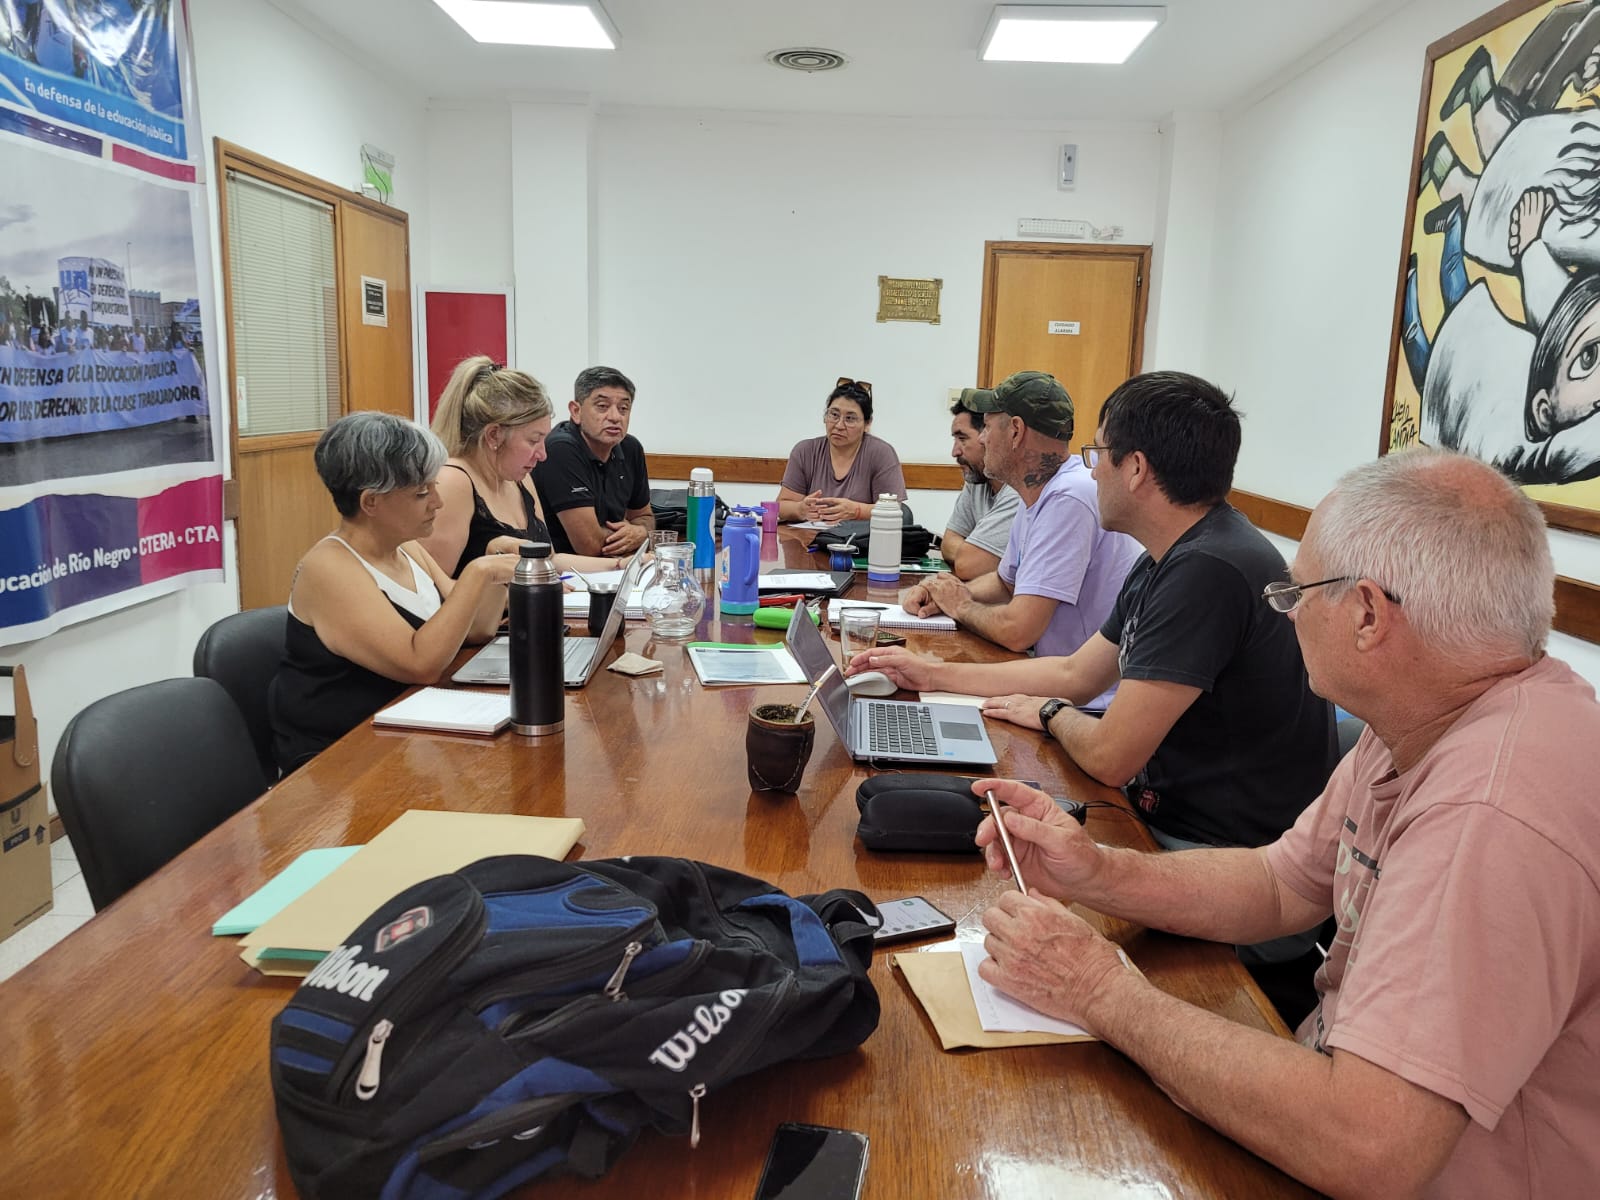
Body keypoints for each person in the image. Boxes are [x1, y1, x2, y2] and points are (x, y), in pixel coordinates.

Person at [974, 449, 1600, 1197]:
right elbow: (1280, 883)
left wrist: (1098, 991)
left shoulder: (1492, 811)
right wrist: (1098, 872)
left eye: (1298, 592)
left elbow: (1369, 1144)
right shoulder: (1429, 713)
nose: (1290, 611)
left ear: (1367, 614)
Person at [855, 372, 1335, 1015]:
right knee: (964, 829)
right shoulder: (1169, 553)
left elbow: (1107, 751)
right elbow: (1076, 675)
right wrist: (933, 675)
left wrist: (1052, 717)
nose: (1089, 468)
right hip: (1163, 830)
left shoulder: (1209, 569)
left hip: (1220, 870)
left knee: (977, 892)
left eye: (1098, 453)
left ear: (1135, 468)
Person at [269, 412, 516, 774]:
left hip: (405, 738)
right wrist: (478, 573)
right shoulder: (330, 568)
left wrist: (496, 563)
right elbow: (421, 663)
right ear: (371, 503)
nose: (438, 502)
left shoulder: (405, 547)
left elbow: (475, 628)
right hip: (339, 765)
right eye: (421, 493)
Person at [903, 373, 1138, 711]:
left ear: (1015, 430)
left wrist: (961, 606)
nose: (982, 438)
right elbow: (1005, 582)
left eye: (986, 427)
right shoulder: (1036, 493)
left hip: (1087, 708)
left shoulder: (1068, 498)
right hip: (1051, 690)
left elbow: (1018, 631)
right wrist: (946, 592)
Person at [419, 356, 625, 578]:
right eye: (533, 440)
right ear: (494, 435)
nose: (543, 454)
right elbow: (433, 593)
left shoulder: (519, 479)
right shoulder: (454, 481)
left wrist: (623, 566)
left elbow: (549, 560)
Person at [531, 366, 655, 557]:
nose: (615, 417)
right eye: (602, 407)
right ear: (576, 411)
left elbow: (644, 517)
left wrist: (641, 532)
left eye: (623, 408)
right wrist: (635, 536)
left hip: (614, 568)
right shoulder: (560, 449)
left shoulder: (630, 448)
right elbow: (589, 546)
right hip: (564, 572)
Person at [776, 378, 907, 523]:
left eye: (850, 418)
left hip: (860, 542)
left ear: (867, 424)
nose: (839, 425)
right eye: (834, 415)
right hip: (810, 540)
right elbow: (781, 506)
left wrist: (856, 511)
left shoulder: (881, 454)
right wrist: (800, 509)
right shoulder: (805, 451)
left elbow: (894, 510)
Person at [940, 388, 1021, 580]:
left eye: (963, 438)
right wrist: (975, 552)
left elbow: (969, 566)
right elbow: (948, 542)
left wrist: (974, 553)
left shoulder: (1018, 492)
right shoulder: (977, 478)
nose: (955, 452)